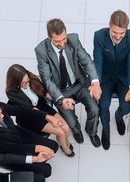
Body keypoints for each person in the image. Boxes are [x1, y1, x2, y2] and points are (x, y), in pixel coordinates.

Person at [35, 18, 101, 147]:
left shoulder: (73, 39)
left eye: (64, 38)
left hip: (80, 83)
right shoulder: (41, 50)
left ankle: (91, 131)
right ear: (49, 38)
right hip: (61, 91)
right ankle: (76, 130)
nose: (62, 43)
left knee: (95, 109)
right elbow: (47, 79)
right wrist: (60, 98)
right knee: (70, 121)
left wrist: (95, 82)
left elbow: (86, 60)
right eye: (57, 41)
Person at [5, 64, 74, 157]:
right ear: (15, 83)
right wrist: (50, 119)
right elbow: (30, 109)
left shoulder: (32, 78)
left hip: (41, 106)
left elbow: (45, 93)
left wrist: (61, 101)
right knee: (60, 132)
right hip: (31, 116)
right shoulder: (11, 92)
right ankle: (65, 148)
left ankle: (65, 142)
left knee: (66, 128)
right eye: (23, 83)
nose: (27, 84)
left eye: (27, 80)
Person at [93, 10, 130, 150]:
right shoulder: (99, 36)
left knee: (126, 107)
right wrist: (96, 83)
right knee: (103, 105)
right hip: (105, 78)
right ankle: (105, 131)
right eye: (115, 32)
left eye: (122, 33)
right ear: (109, 26)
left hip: (123, 78)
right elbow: (98, 61)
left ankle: (118, 117)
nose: (118, 36)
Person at [0, 98, 59, 162]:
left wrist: (47, 116)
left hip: (17, 132)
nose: (2, 116)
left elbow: (19, 110)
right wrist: (37, 148)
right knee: (44, 168)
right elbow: (9, 147)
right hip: (9, 150)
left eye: (1, 112)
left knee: (54, 146)